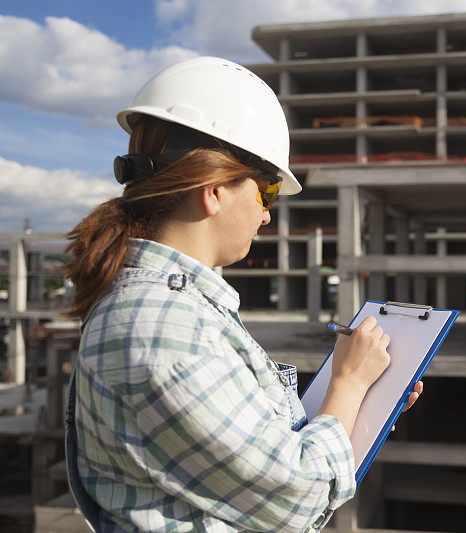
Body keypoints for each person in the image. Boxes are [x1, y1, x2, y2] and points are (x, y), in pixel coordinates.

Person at [62, 56, 423, 532]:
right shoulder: (159, 327)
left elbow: (264, 456)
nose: (267, 216)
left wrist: (361, 407)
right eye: (267, 192)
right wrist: (349, 382)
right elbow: (299, 498)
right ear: (213, 190)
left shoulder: (178, 310)